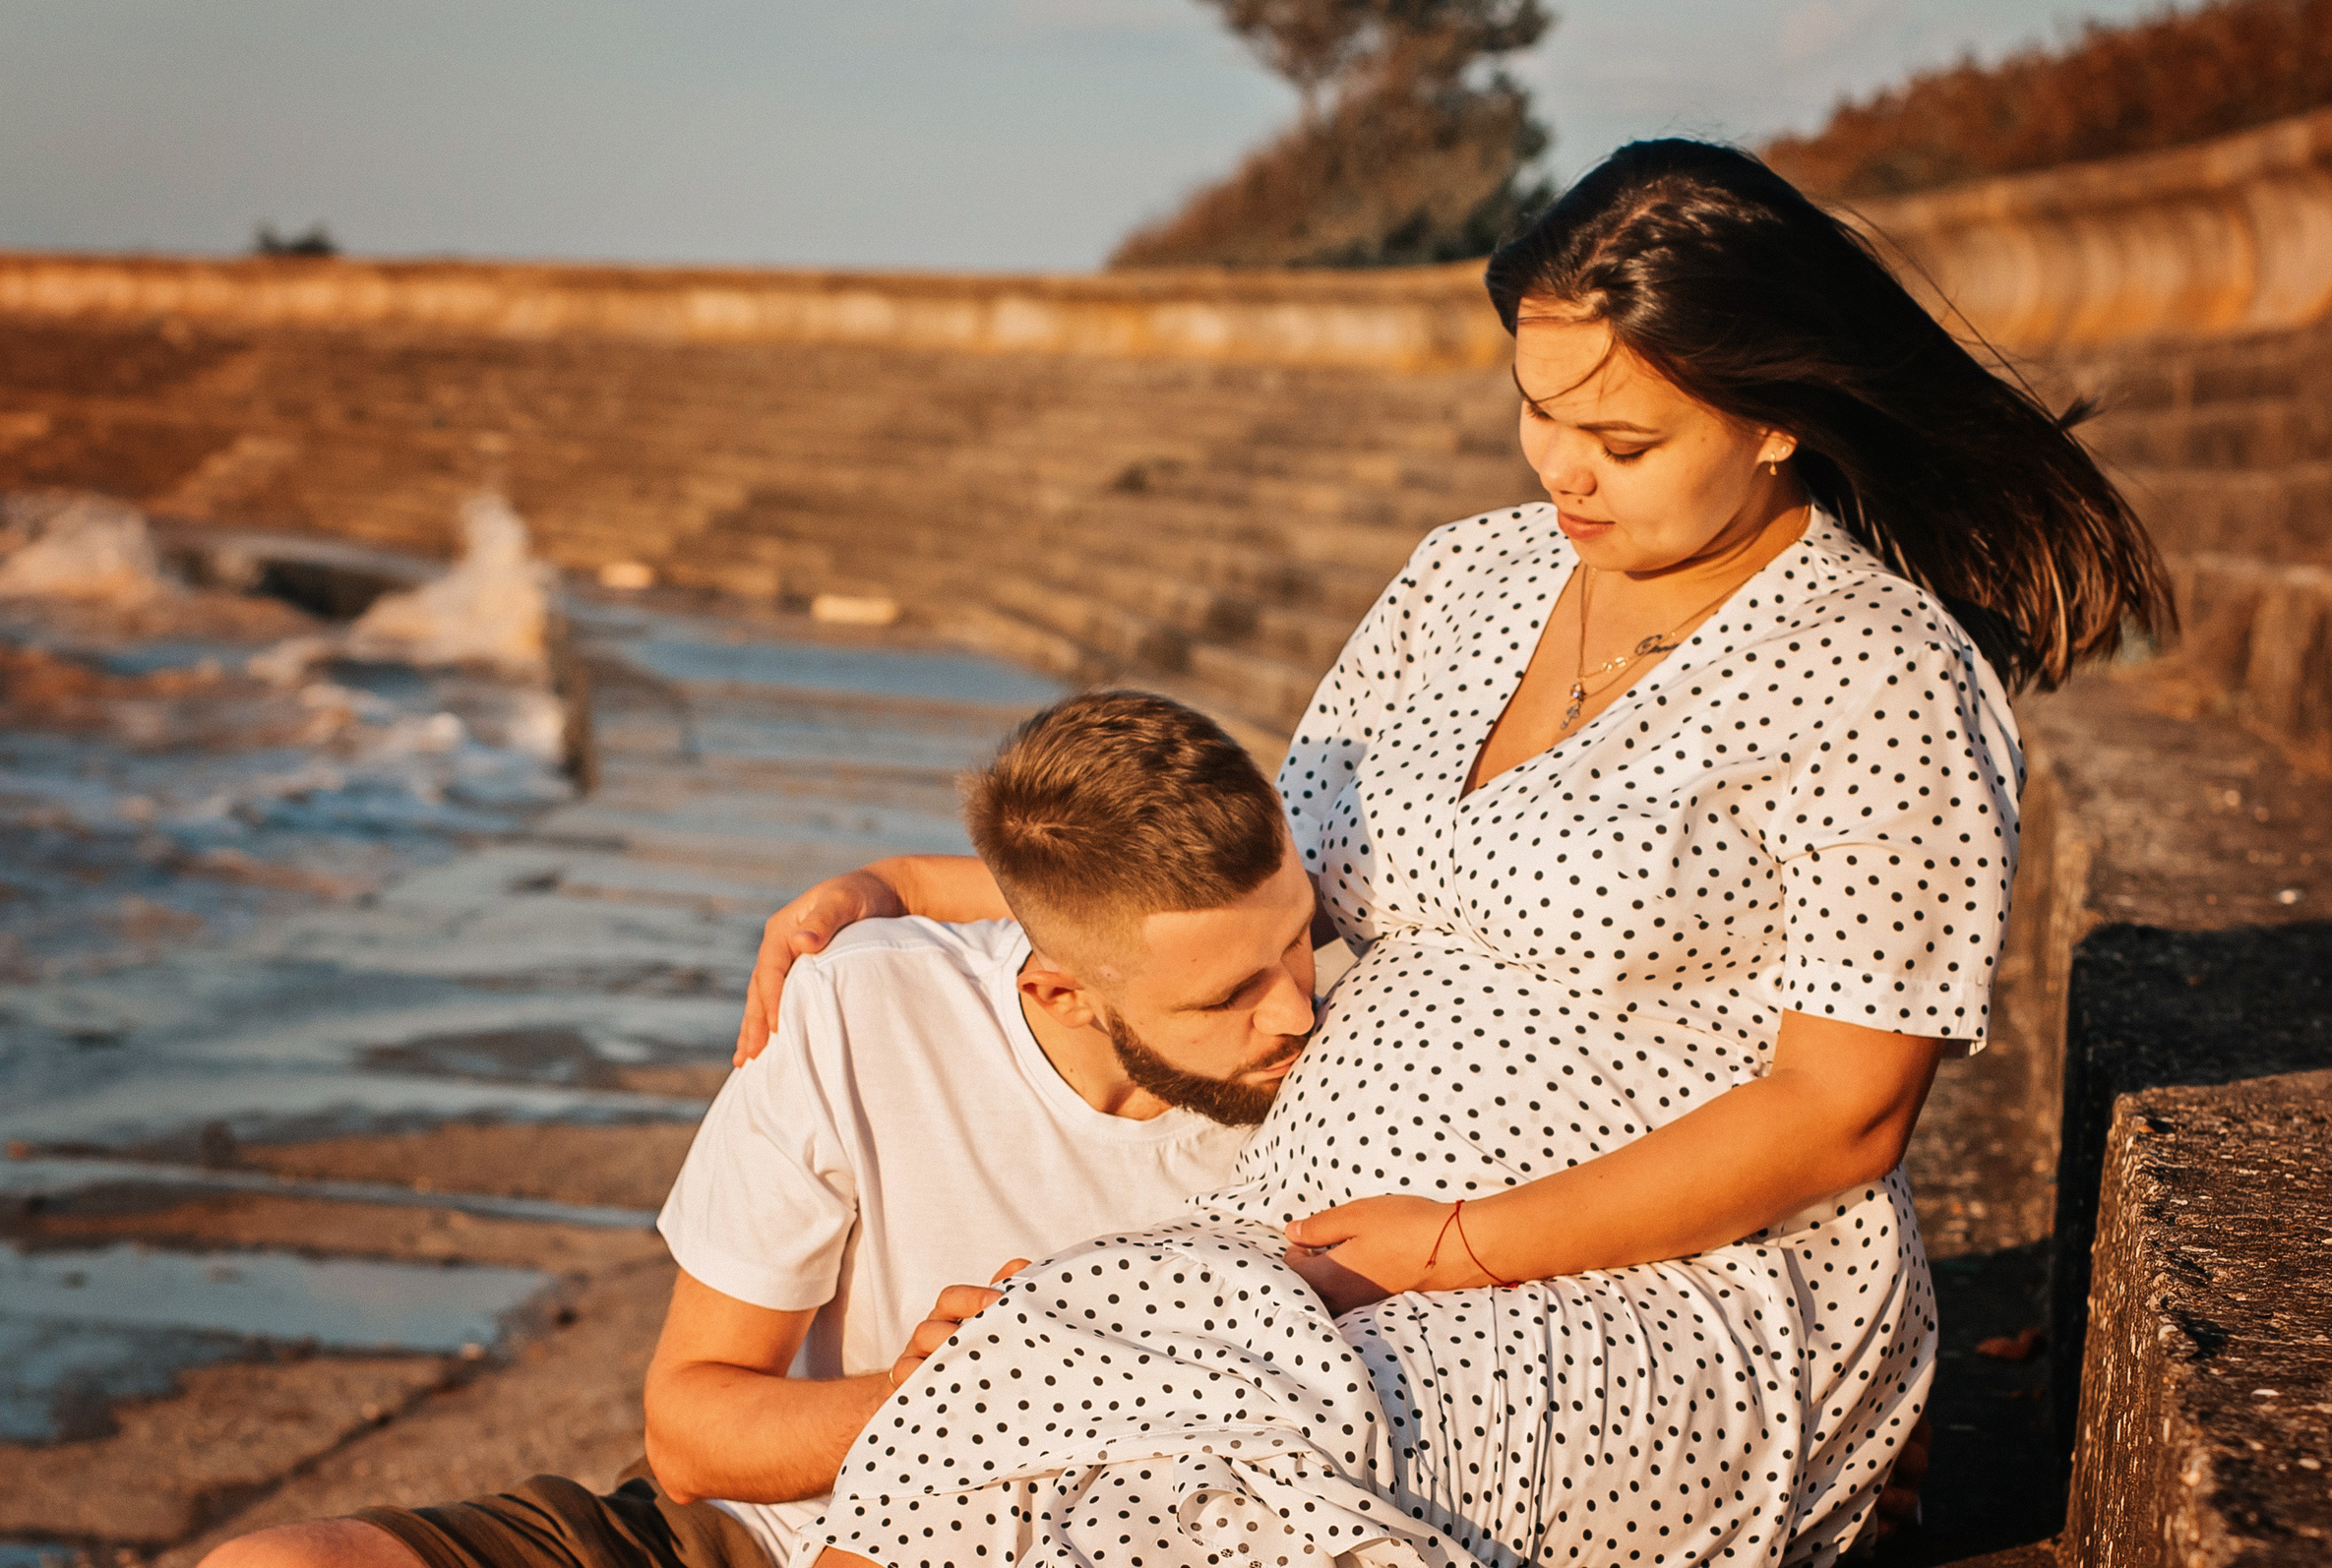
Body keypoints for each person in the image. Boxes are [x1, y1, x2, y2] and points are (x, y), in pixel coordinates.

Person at [745, 140, 2171, 1568]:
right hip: (1315, 1254)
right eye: (1538, 410)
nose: (1564, 470)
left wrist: (1453, 1247)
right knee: (968, 1434)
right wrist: (905, 889)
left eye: (1625, 443)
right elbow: (1251, 880)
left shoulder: (1882, 670)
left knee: (1179, 1491)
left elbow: (1841, 1114)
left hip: (1666, 1299)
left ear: (1774, 418)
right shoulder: (1468, 573)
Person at [199, 692, 1315, 1568]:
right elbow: (689, 1426)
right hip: (760, 1531)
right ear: (1060, 989)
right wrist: (923, 1396)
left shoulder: (1364, 1043)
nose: (1297, 1011)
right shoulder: (868, 1009)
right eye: (1227, 996)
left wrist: (898, 874)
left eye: (1300, 939)